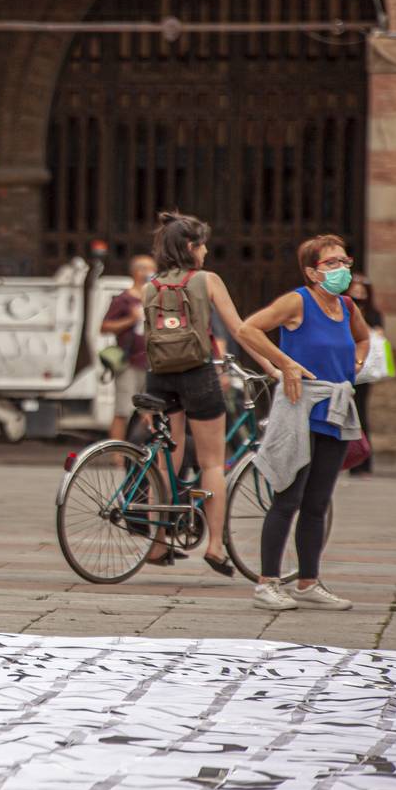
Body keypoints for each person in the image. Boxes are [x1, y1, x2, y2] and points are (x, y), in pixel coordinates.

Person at [236, 234, 366, 611]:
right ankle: (267, 583)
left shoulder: (346, 305)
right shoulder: (298, 301)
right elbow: (248, 329)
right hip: (300, 405)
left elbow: (362, 340)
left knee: (318, 501)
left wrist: (357, 364)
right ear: (312, 271)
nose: (342, 268)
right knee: (288, 497)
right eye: (331, 263)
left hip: (336, 408)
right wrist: (285, 363)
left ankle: (308, 581)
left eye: (345, 261)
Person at [136, 212, 253, 580]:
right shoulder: (207, 280)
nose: (205, 252)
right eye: (202, 245)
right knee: (212, 463)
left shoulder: (150, 286)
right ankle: (215, 545)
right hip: (198, 374)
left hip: (159, 377)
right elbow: (239, 328)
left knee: (166, 457)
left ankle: (157, 543)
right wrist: (273, 363)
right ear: (191, 247)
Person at [100, 254, 157, 440]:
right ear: (137, 272)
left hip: (151, 362)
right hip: (130, 362)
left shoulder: (155, 298)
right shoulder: (124, 299)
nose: (151, 273)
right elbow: (105, 327)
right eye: (147, 269)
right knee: (123, 409)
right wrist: (131, 319)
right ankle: (117, 452)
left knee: (148, 409)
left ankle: (139, 447)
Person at [348, 273, 385, 476]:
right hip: (347, 368)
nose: (358, 294)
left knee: (360, 414)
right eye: (355, 290)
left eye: (362, 291)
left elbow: (378, 334)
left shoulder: (372, 313)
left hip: (364, 371)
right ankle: (349, 460)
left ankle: (363, 461)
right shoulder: (344, 308)